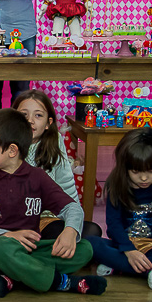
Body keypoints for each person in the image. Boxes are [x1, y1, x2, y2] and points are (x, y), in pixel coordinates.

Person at [0, 108, 102, 297]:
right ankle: (62, 282)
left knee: (85, 249)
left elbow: (72, 207)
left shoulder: (37, 177)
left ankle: (15, 278)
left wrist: (70, 231)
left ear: (12, 150)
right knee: (1, 248)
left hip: (31, 250)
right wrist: (9, 235)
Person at [86, 127, 152, 289]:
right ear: (125, 167)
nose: (144, 178)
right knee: (90, 243)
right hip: (124, 246)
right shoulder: (117, 186)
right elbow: (114, 224)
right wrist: (129, 251)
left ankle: (120, 266)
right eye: (136, 172)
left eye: (151, 171)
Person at [12, 89, 102, 238]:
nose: (30, 121)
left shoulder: (55, 143)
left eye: (38, 115)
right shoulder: (7, 146)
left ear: (48, 123)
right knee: (62, 236)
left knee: (92, 231)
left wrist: (73, 224)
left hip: (49, 218)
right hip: (18, 219)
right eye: (24, 115)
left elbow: (67, 187)